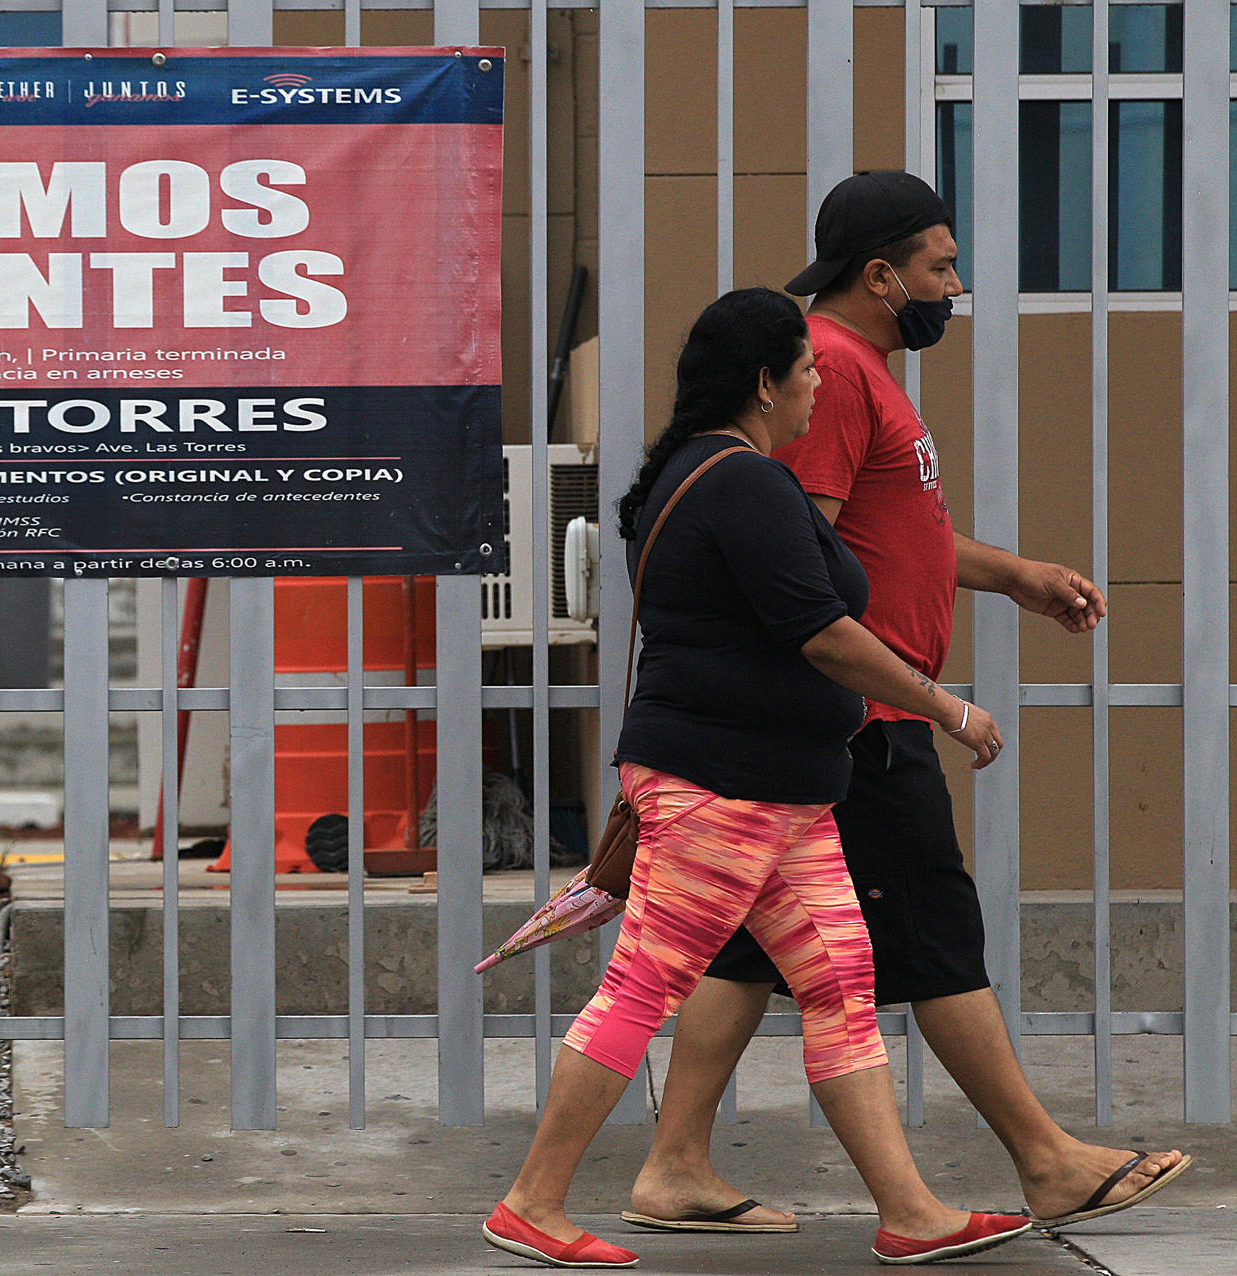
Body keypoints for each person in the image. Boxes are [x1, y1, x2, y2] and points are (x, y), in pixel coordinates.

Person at [624, 172, 1189, 1239]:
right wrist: (925, 701)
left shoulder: (860, 369)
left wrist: (1010, 573)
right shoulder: (830, 369)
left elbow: (893, 530)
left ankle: (675, 1163)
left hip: (852, 714)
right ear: (880, 274)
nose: (954, 284)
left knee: (750, 946)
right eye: (940, 264)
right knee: (934, 930)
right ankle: (1046, 1158)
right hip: (869, 718)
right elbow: (800, 553)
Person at [483, 287, 1031, 1269]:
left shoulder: (727, 473)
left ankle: (910, 1211)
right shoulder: (741, 483)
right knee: (647, 979)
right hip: (723, 786)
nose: (823, 381)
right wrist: (947, 709)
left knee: (840, 980)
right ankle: (532, 1199)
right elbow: (821, 633)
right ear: (767, 381)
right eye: (808, 368)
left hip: (778, 790)